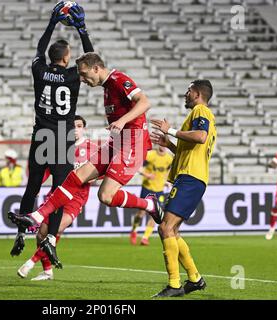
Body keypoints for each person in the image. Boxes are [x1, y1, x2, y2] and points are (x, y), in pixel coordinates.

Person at [11, 52, 165, 268]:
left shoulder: (119, 79)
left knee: (105, 195)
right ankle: (37, 217)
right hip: (118, 140)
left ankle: (150, 204)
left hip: (133, 141)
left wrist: (121, 121)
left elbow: (144, 102)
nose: (82, 79)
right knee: (77, 175)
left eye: (84, 75)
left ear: (96, 69)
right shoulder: (106, 87)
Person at [9, 1, 94, 267]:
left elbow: (38, 50)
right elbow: (92, 61)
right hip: (62, 137)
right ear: (67, 57)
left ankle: (21, 231)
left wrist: (51, 22)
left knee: (33, 186)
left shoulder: (40, 70)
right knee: (60, 190)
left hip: (41, 134)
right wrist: (82, 31)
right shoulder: (72, 75)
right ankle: (50, 240)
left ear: (51, 56)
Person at [149, 79, 216, 297]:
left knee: (165, 228)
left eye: (188, 91)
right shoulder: (199, 113)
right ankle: (195, 279)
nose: (185, 94)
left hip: (191, 177)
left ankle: (175, 284)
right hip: (190, 177)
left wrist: (172, 131)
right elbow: (190, 149)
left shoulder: (200, 111)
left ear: (197, 93)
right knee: (172, 230)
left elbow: (200, 137)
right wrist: (168, 144)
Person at [17, 115, 98, 280]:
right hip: (56, 195)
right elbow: (46, 169)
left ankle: (30, 263)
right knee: (41, 235)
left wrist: (92, 176)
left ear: (84, 129)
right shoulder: (60, 148)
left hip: (76, 198)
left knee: (57, 229)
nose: (76, 129)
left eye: (79, 126)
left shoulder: (92, 148)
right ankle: (47, 271)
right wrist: (37, 185)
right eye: (73, 126)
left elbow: (100, 171)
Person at [130, 146, 173, 246]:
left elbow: (168, 171)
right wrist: (146, 174)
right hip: (147, 188)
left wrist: (167, 181)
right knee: (141, 213)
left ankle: (145, 238)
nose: (163, 147)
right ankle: (134, 230)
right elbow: (137, 167)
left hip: (159, 190)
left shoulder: (169, 158)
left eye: (164, 145)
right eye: (161, 144)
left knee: (156, 215)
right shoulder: (150, 155)